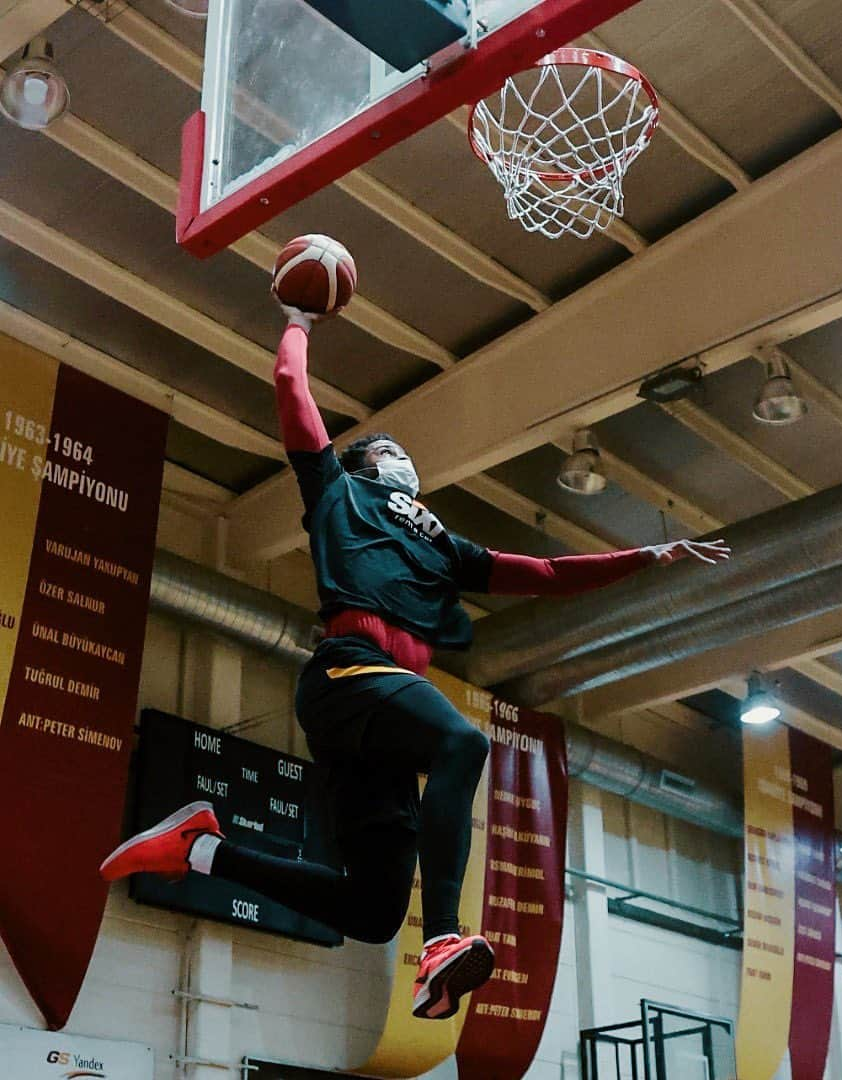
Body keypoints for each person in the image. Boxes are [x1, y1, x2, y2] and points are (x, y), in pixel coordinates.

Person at [100, 301, 732, 1021]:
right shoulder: (338, 492)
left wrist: (644, 556)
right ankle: (440, 942)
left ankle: (201, 851)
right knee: (463, 741)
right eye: (393, 448)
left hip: (378, 723)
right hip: (348, 673)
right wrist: (300, 317)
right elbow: (289, 385)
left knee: (370, 913)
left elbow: (548, 576)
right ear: (370, 464)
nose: (406, 458)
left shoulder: (441, 542)